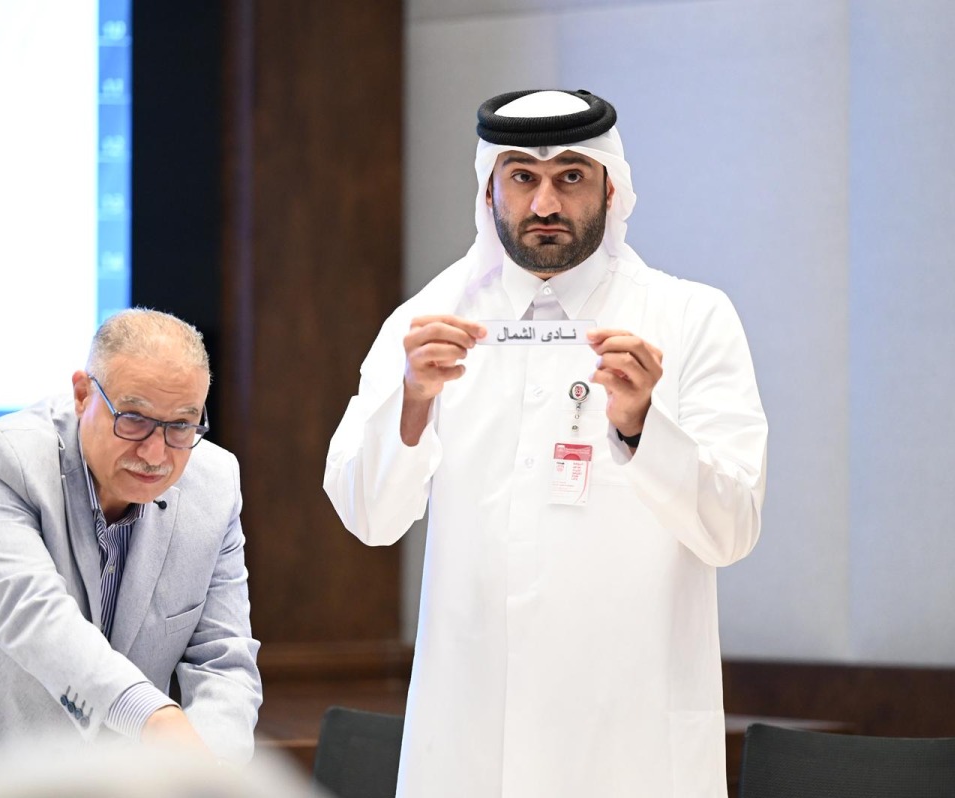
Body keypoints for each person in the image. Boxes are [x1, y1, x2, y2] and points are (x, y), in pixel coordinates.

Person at [324, 89, 768, 796]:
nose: (545, 204)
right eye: (522, 177)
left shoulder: (691, 319)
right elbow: (369, 518)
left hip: (629, 746)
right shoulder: (428, 322)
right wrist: (411, 403)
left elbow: (732, 529)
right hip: (467, 742)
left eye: (570, 175)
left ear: (610, 187)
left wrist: (641, 425)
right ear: (489, 189)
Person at [0, 308, 262, 797]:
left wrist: (212, 772)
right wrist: (156, 720)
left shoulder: (215, 483)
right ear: (82, 395)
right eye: (134, 419)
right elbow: (34, 615)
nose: (157, 454)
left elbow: (221, 661)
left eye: (181, 426)